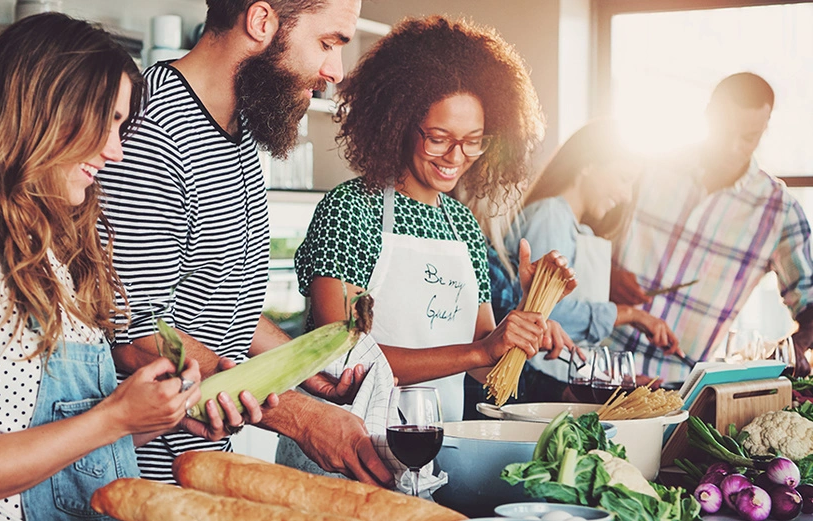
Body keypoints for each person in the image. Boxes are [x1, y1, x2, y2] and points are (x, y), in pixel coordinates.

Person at [0, 14, 255, 520]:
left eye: (121, 126)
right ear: (43, 112)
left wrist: (162, 413)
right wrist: (115, 417)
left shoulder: (53, 250)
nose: (115, 151)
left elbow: (68, 433)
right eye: (106, 122)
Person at [95, 0, 394, 486]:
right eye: (327, 42)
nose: (335, 71)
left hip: (200, 471)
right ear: (261, 22)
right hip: (135, 482)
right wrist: (303, 418)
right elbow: (135, 336)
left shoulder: (241, 131)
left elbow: (219, 298)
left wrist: (296, 366)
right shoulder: (151, 131)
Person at [293, 15, 577, 430]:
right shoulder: (350, 210)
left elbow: (483, 367)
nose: (455, 157)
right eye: (439, 137)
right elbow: (340, 359)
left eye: (473, 140)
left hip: (432, 449)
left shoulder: (462, 225)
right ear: (399, 123)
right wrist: (481, 351)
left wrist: (524, 319)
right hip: (338, 451)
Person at [609, 72, 813, 381]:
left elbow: (810, 303)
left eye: (748, 138)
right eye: (724, 131)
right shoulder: (649, 167)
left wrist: (793, 348)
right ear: (707, 115)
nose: (732, 147)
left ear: (764, 131)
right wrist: (604, 273)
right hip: (596, 363)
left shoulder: (779, 211)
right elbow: (584, 235)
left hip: (679, 387)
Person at [501, 119, 680, 400]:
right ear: (587, 164)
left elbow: (568, 336)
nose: (626, 195)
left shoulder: (576, 227)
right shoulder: (550, 216)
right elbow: (545, 316)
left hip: (561, 386)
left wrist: (609, 378)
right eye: (624, 179)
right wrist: (631, 314)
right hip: (536, 390)